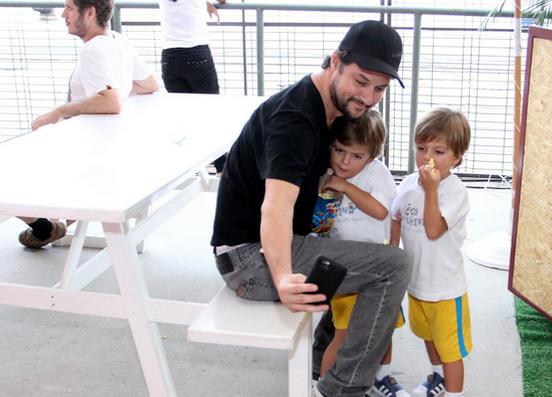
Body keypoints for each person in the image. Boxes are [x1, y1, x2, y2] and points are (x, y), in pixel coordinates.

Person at [210, 20, 410, 397]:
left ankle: (322, 359)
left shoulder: (329, 110)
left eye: (380, 89)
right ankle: (342, 389)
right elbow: (276, 207)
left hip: (267, 245)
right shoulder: (295, 120)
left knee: (359, 255)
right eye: (361, 81)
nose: (368, 98)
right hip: (251, 260)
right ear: (335, 61)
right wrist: (284, 276)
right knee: (393, 267)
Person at [19, 0, 159, 249]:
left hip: (89, 160)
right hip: (111, 149)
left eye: (70, 8)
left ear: (90, 12)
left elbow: (111, 100)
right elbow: (149, 85)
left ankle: (44, 228)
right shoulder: (117, 40)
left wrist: (58, 112)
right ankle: (52, 224)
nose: (64, 15)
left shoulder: (92, 50)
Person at [315, 110, 410, 397]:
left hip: (377, 264)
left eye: (356, 156)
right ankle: (323, 387)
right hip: (345, 269)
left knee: (383, 325)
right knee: (344, 337)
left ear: (371, 157)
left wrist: (343, 186)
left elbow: (381, 210)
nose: (345, 161)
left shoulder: (375, 173)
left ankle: (382, 377)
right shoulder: (325, 172)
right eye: (339, 150)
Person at [390, 108, 473, 397]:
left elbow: (434, 229)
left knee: (450, 350)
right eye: (421, 148)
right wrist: (391, 254)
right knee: (428, 337)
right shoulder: (410, 182)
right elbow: (396, 216)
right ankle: (437, 377)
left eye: (439, 151)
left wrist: (432, 190)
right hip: (417, 283)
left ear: (457, 157)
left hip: (445, 289)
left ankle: (453, 392)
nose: (428, 157)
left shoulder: (454, 192)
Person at [158, 0, 227, 172]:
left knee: (184, 118)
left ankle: (193, 169)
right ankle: (222, 168)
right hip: (196, 53)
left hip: (169, 57)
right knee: (210, 115)